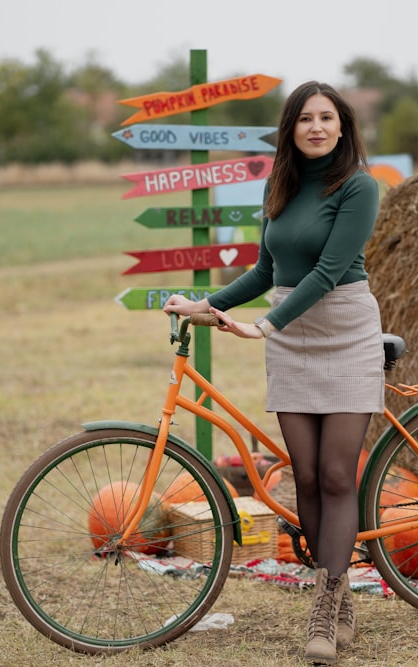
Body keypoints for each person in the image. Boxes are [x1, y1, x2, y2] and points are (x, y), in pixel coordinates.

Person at [162, 81, 382, 664]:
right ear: (291, 129)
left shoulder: (359, 186)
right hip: (290, 335)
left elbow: (331, 270)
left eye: (326, 118)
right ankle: (338, 598)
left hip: (343, 329)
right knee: (304, 478)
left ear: (342, 126)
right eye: (304, 118)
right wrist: (207, 306)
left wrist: (267, 325)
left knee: (337, 475)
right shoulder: (279, 186)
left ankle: (324, 606)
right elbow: (266, 271)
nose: (316, 127)